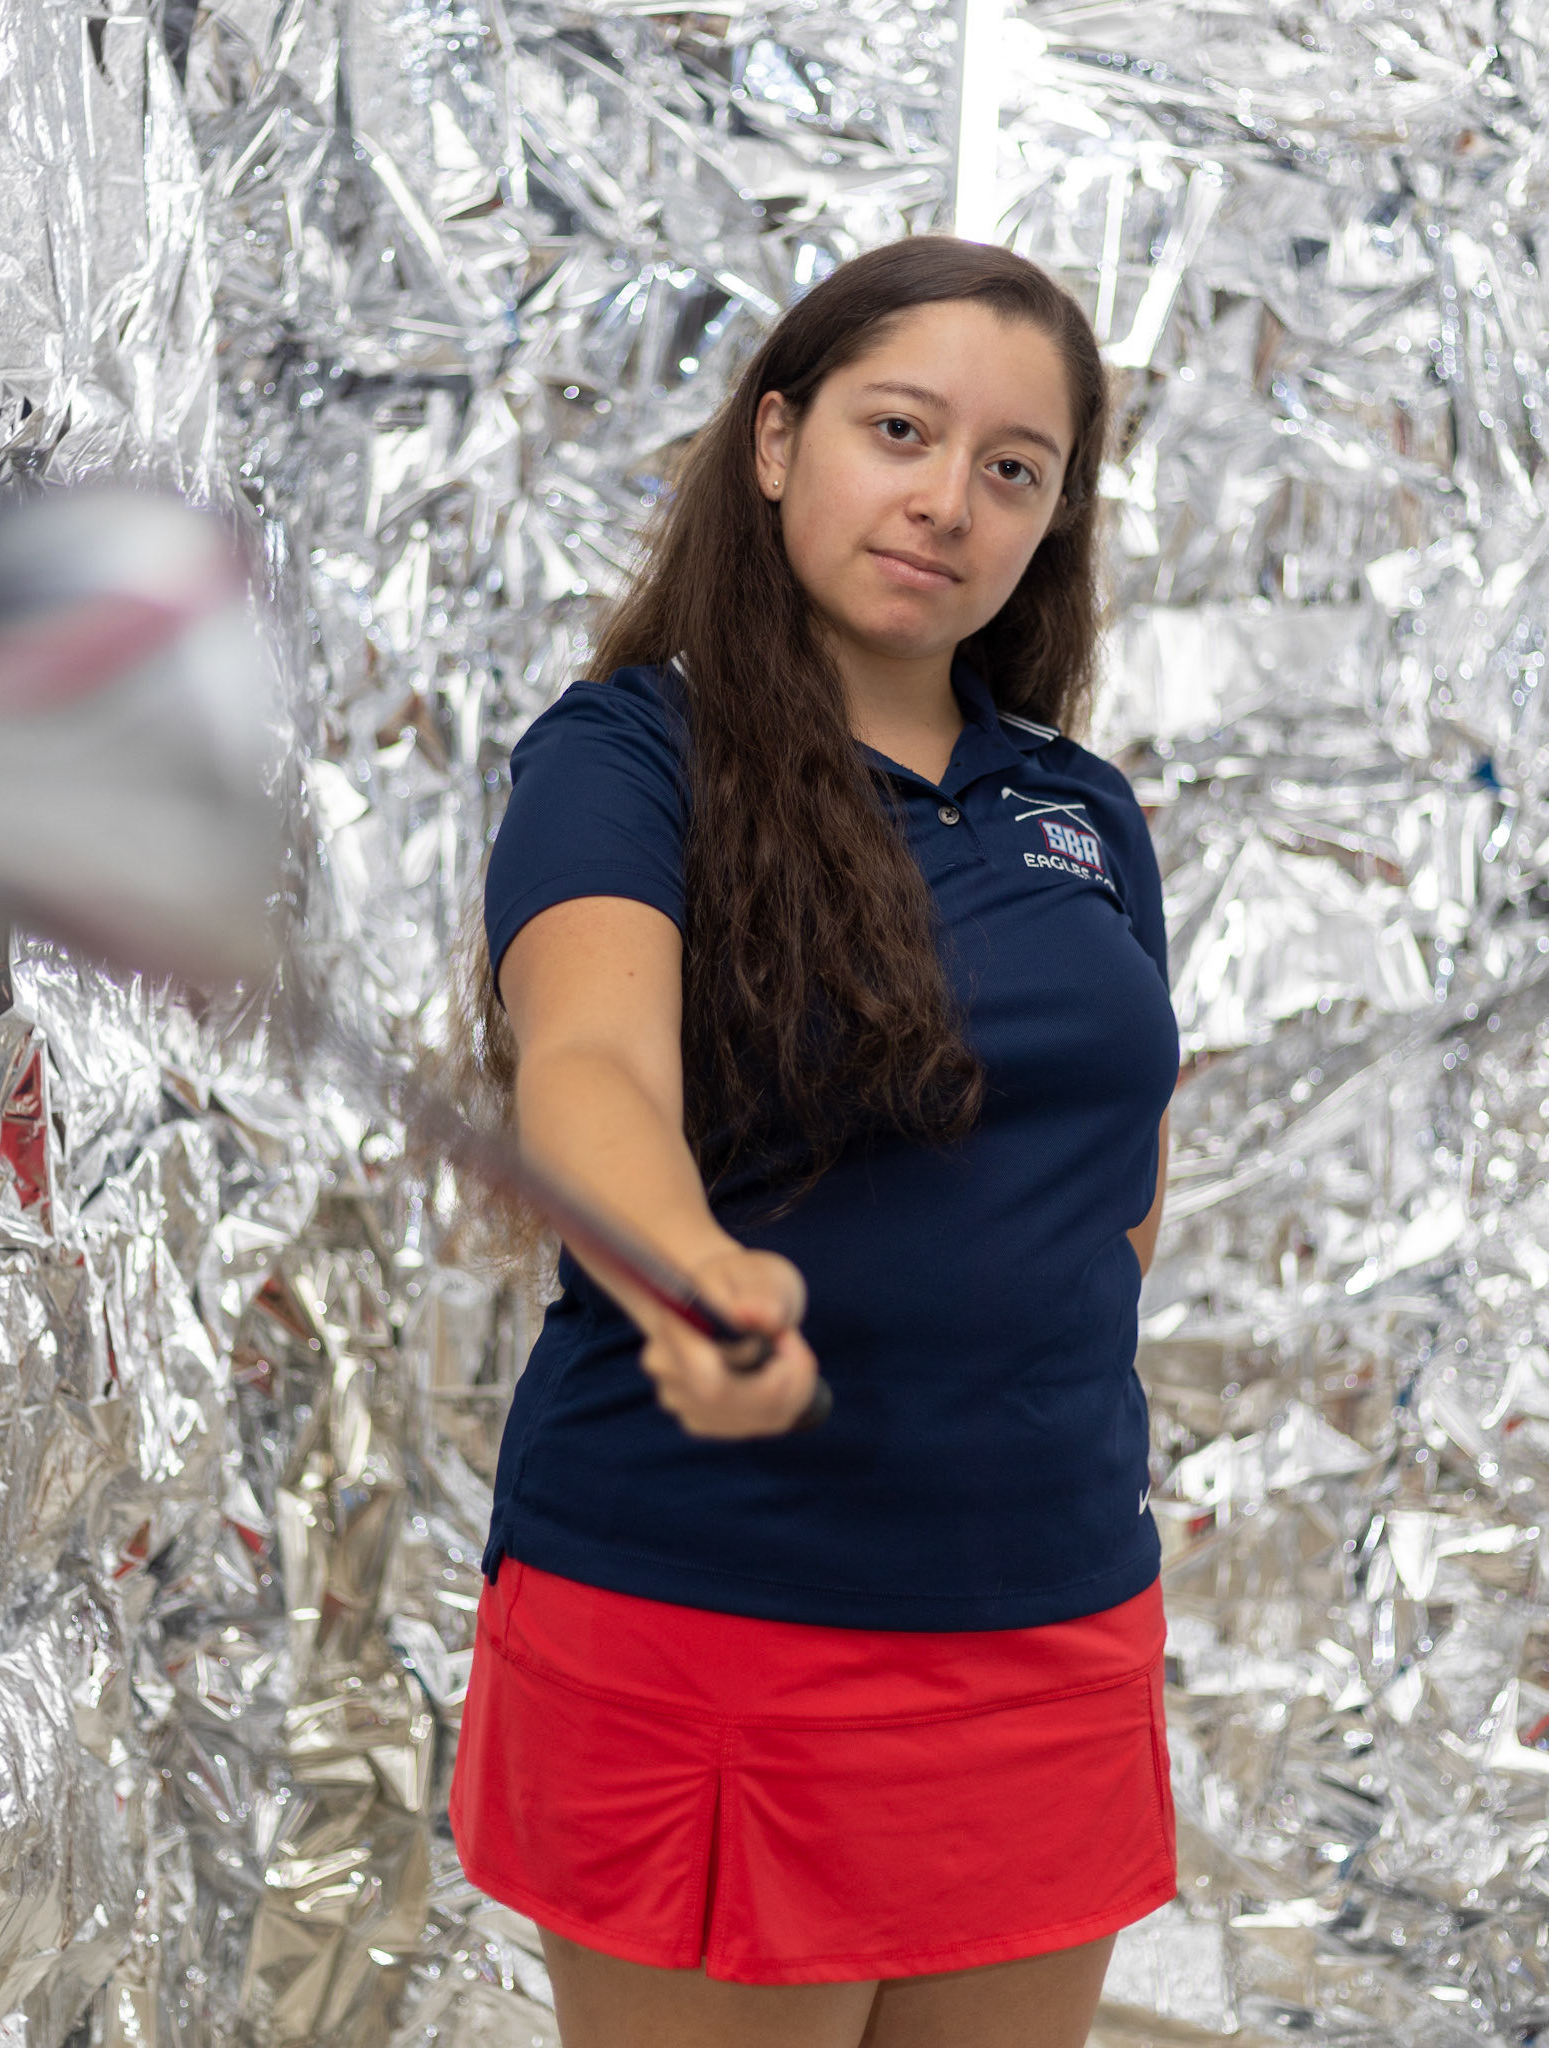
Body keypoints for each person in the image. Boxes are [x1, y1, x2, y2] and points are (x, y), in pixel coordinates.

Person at [448, 236, 1180, 2048]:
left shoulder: (1080, 806)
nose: (948, 501)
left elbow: (1119, 1172)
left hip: (1047, 1616)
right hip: (716, 1608)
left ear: (1053, 520)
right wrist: (684, 1266)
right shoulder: (631, 756)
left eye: (1013, 468)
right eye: (899, 430)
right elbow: (590, 1064)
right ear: (778, 440)